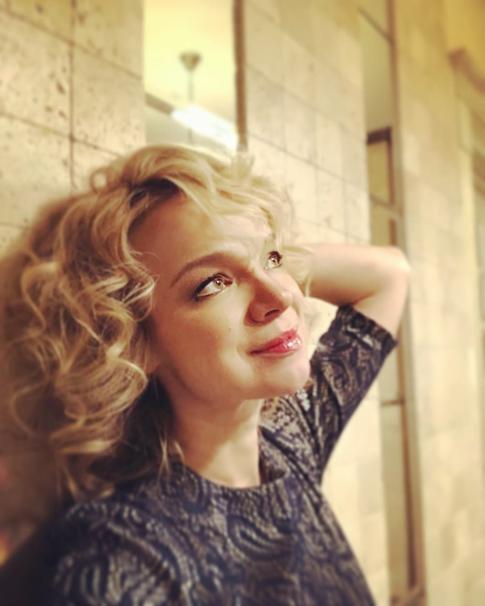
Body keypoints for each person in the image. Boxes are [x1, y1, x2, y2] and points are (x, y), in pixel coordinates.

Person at [0, 144, 410, 605]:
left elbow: (390, 274)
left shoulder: (289, 438)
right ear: (133, 339)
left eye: (274, 261)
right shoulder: (115, 565)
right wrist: (247, 251)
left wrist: (246, 252)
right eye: (212, 284)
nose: (280, 297)